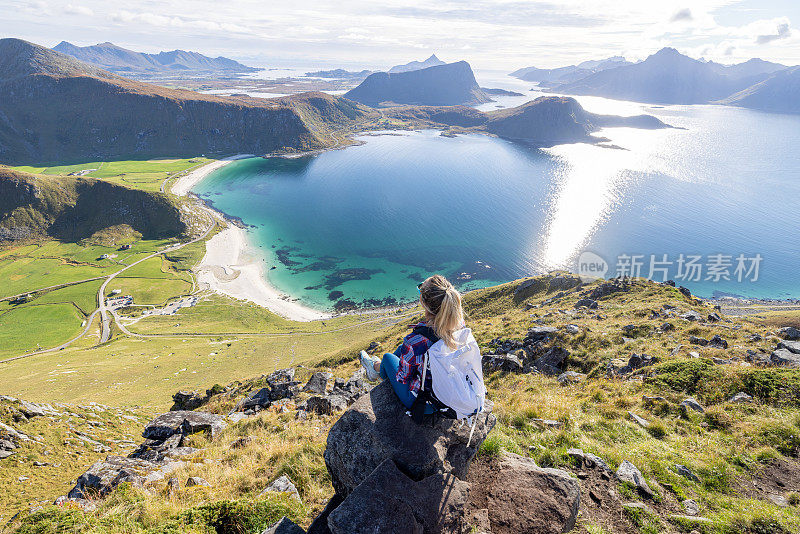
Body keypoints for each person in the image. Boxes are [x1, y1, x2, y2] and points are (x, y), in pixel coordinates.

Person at [360, 274, 465, 413]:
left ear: (424, 302)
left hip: (424, 403)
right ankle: (376, 368)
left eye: (420, 289)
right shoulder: (459, 327)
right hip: (449, 394)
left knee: (387, 357)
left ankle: (375, 369)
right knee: (401, 349)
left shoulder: (416, 340)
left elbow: (402, 377)